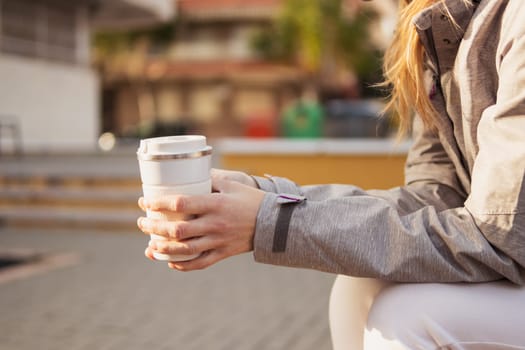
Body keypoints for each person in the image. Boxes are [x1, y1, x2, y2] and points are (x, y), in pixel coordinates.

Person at [137, 0, 525, 348]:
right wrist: (265, 196)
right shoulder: (437, 25)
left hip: (510, 251)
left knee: (409, 316)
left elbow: (500, 238)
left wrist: (268, 221)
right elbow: (438, 197)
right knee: (358, 288)